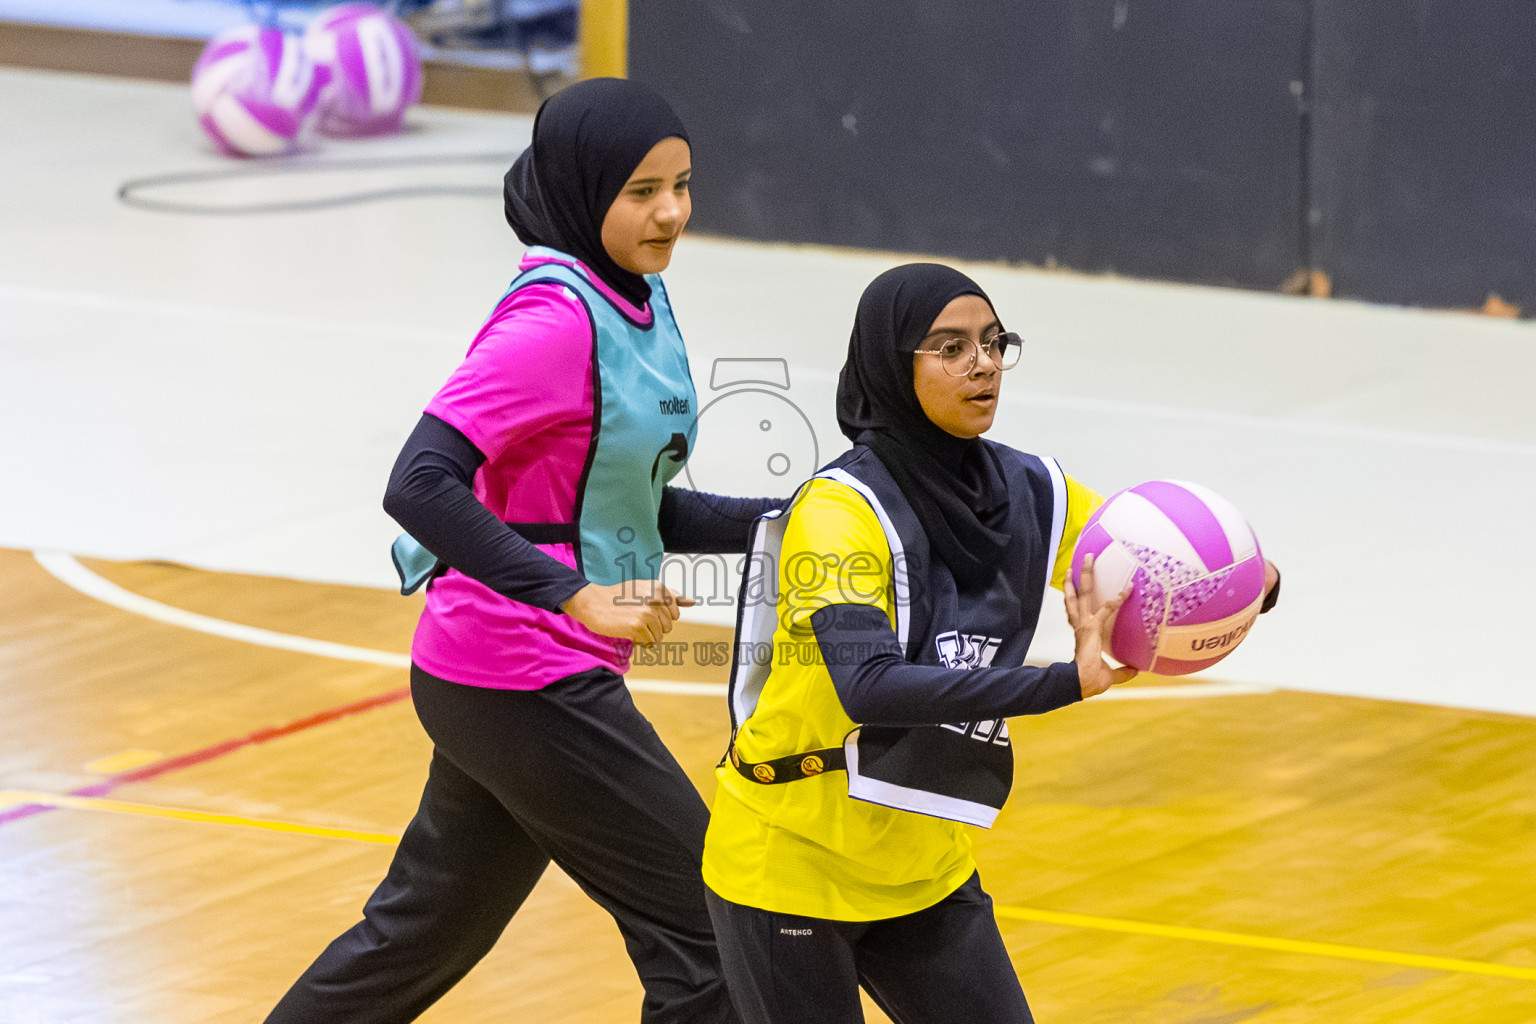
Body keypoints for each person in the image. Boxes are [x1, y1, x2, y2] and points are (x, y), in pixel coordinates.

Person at [265, 78, 774, 1024]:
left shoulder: (637, 299)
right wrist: (570, 595)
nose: (671, 212)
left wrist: (809, 514)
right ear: (586, 195)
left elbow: (632, 504)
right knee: (711, 930)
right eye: (640, 192)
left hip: (499, 679)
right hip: (518, 675)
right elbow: (418, 483)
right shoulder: (550, 324)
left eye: (683, 183)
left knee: (422, 933)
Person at [700, 264, 1279, 1024]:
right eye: (949, 347)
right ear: (890, 365)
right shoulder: (840, 512)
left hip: (924, 862)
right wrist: (1058, 683)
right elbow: (867, 685)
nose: (982, 363)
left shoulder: (1032, 490)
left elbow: (1143, 558)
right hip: (789, 860)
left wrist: (1244, 576)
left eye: (993, 341)